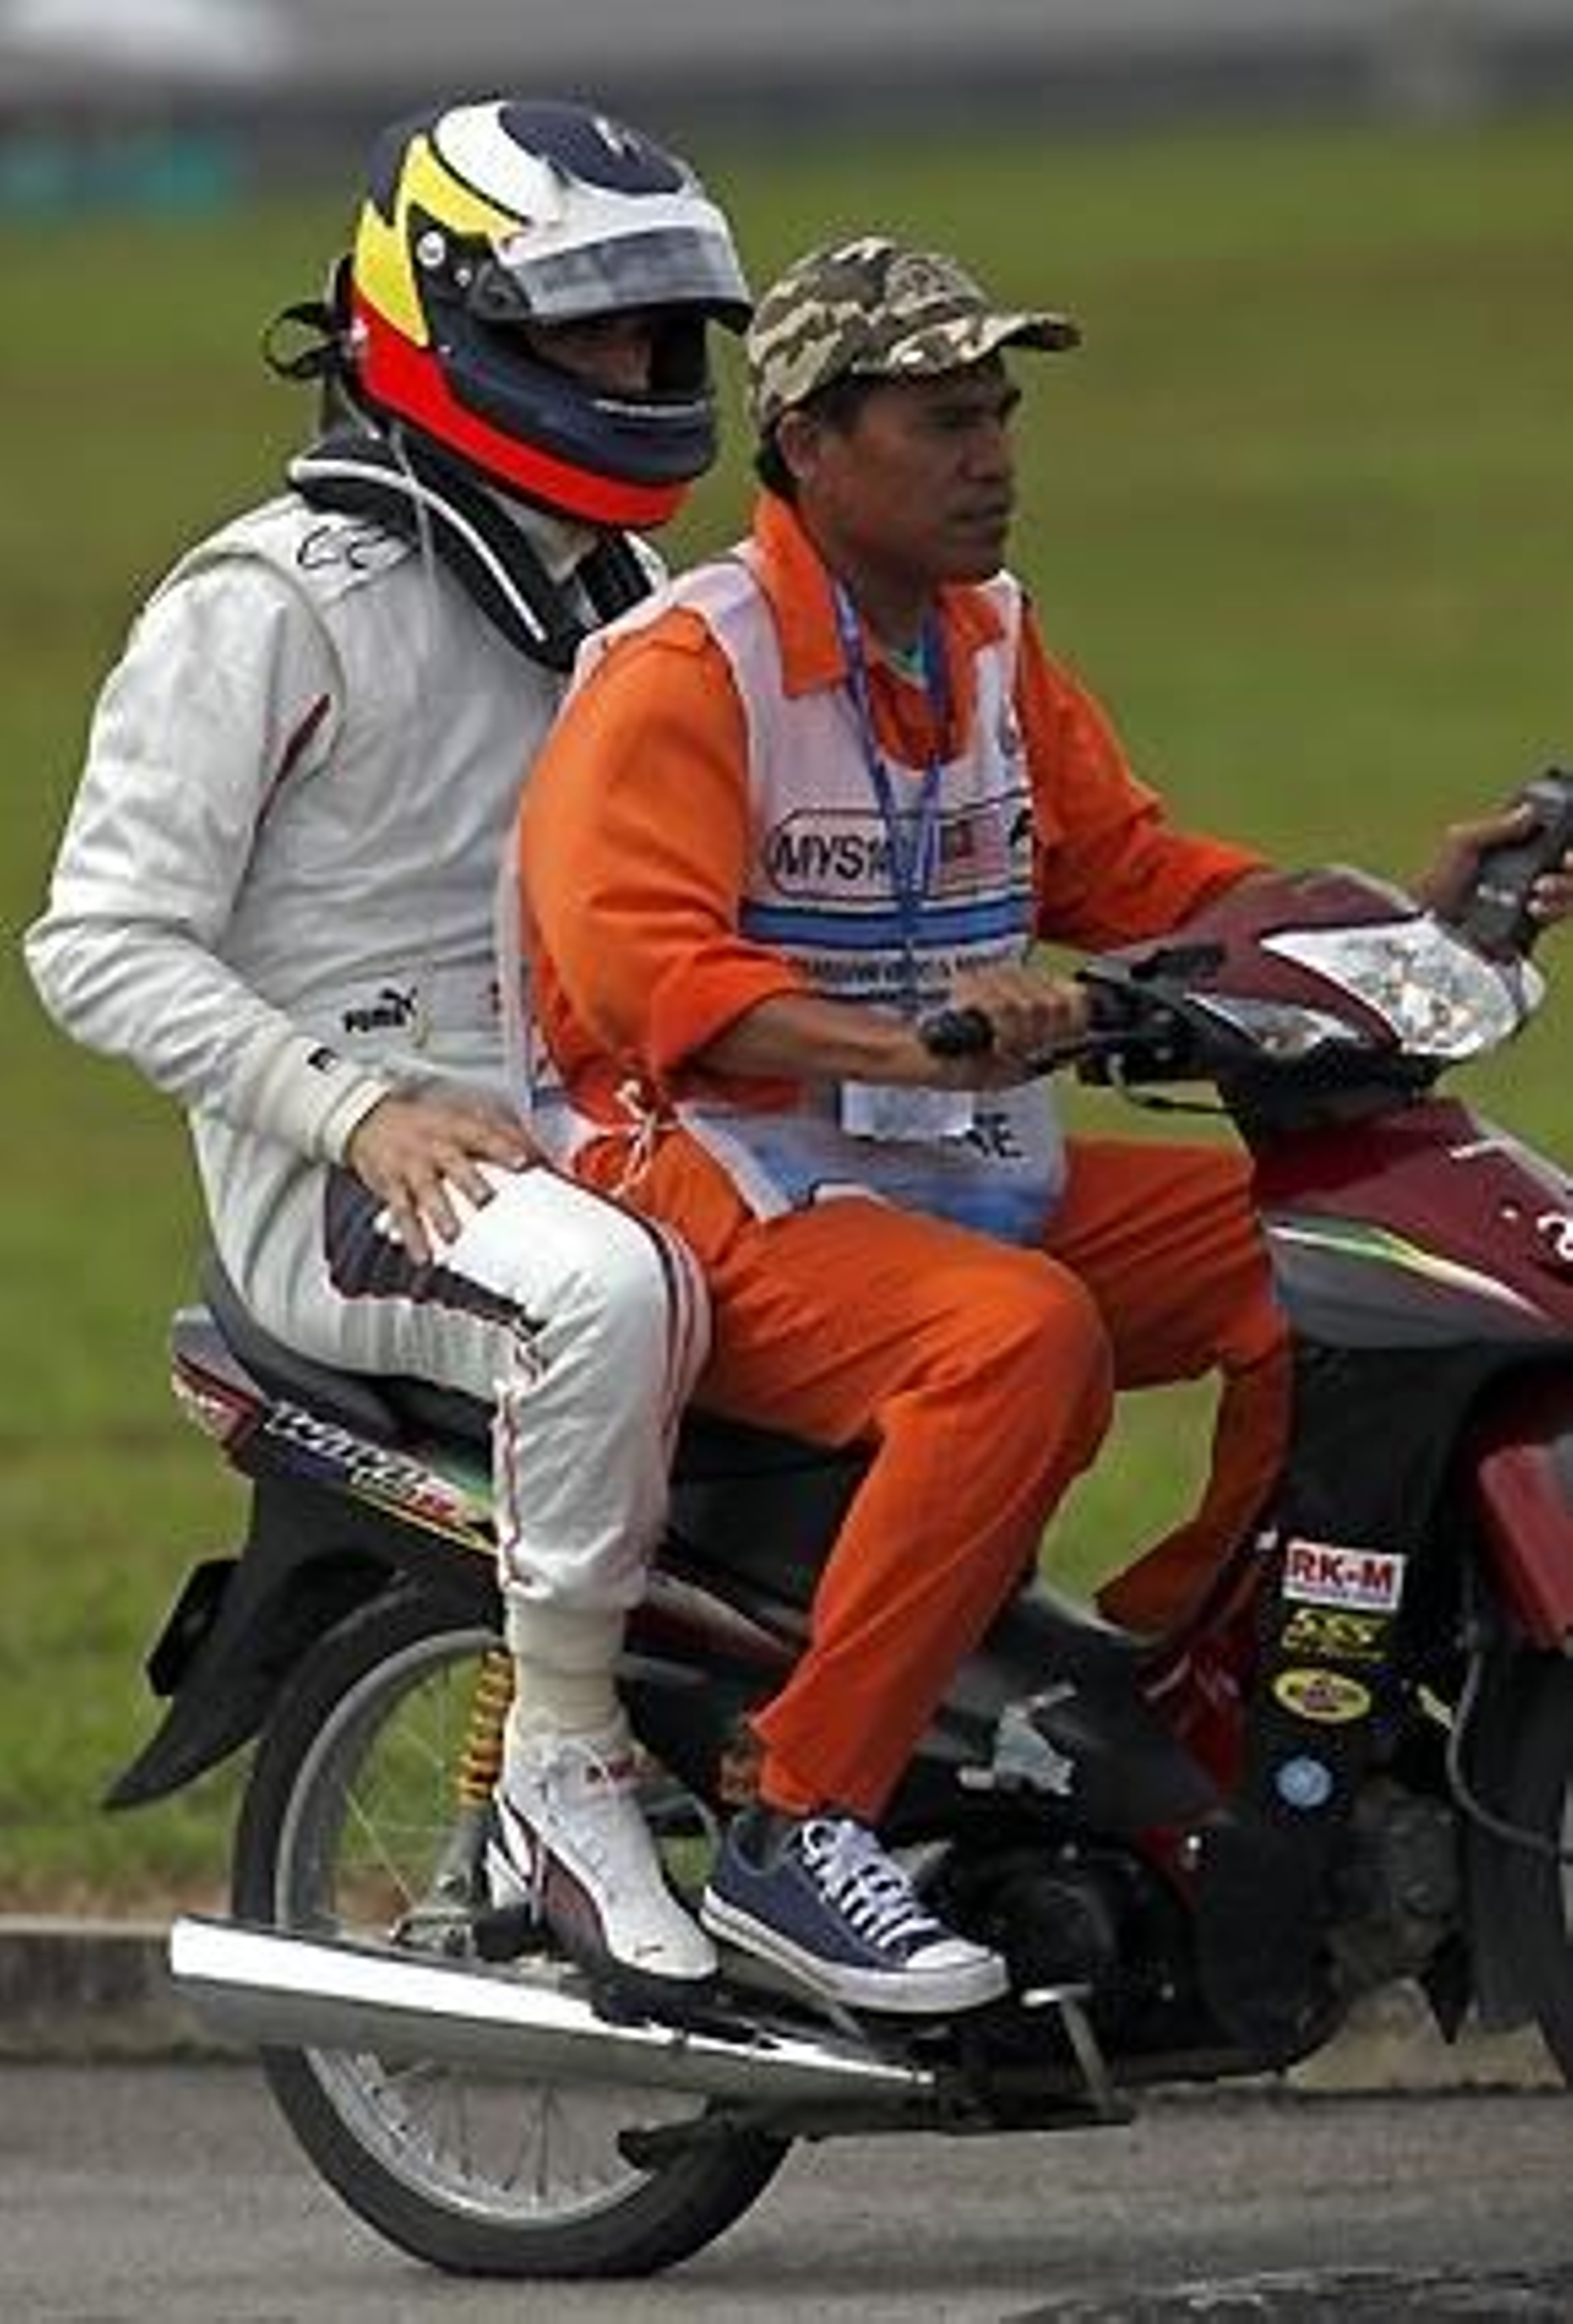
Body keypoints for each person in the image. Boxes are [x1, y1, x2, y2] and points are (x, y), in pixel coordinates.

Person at [515, 232, 1573, 2015]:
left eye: (1001, 413)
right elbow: (646, 988)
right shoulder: (685, 675)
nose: (995, 455)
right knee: (1020, 1345)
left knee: (1321, 1276)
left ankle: (1170, 1717)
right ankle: (801, 1816)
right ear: (811, 441)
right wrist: (911, 1046)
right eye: (944, 421)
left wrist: (1403, 925)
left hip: (936, 1158)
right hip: (702, 1176)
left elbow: (1137, 874)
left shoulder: (986, 642)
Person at [24, 97, 752, 2004]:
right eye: (580, 330)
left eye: (651, 333)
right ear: (440, 322)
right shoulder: (264, 603)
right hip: (359, 1196)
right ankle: (559, 1781)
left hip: (585, 1132)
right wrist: (347, 1116)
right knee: (605, 1298)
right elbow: (94, 942)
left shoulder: (628, 596)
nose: (631, 371)